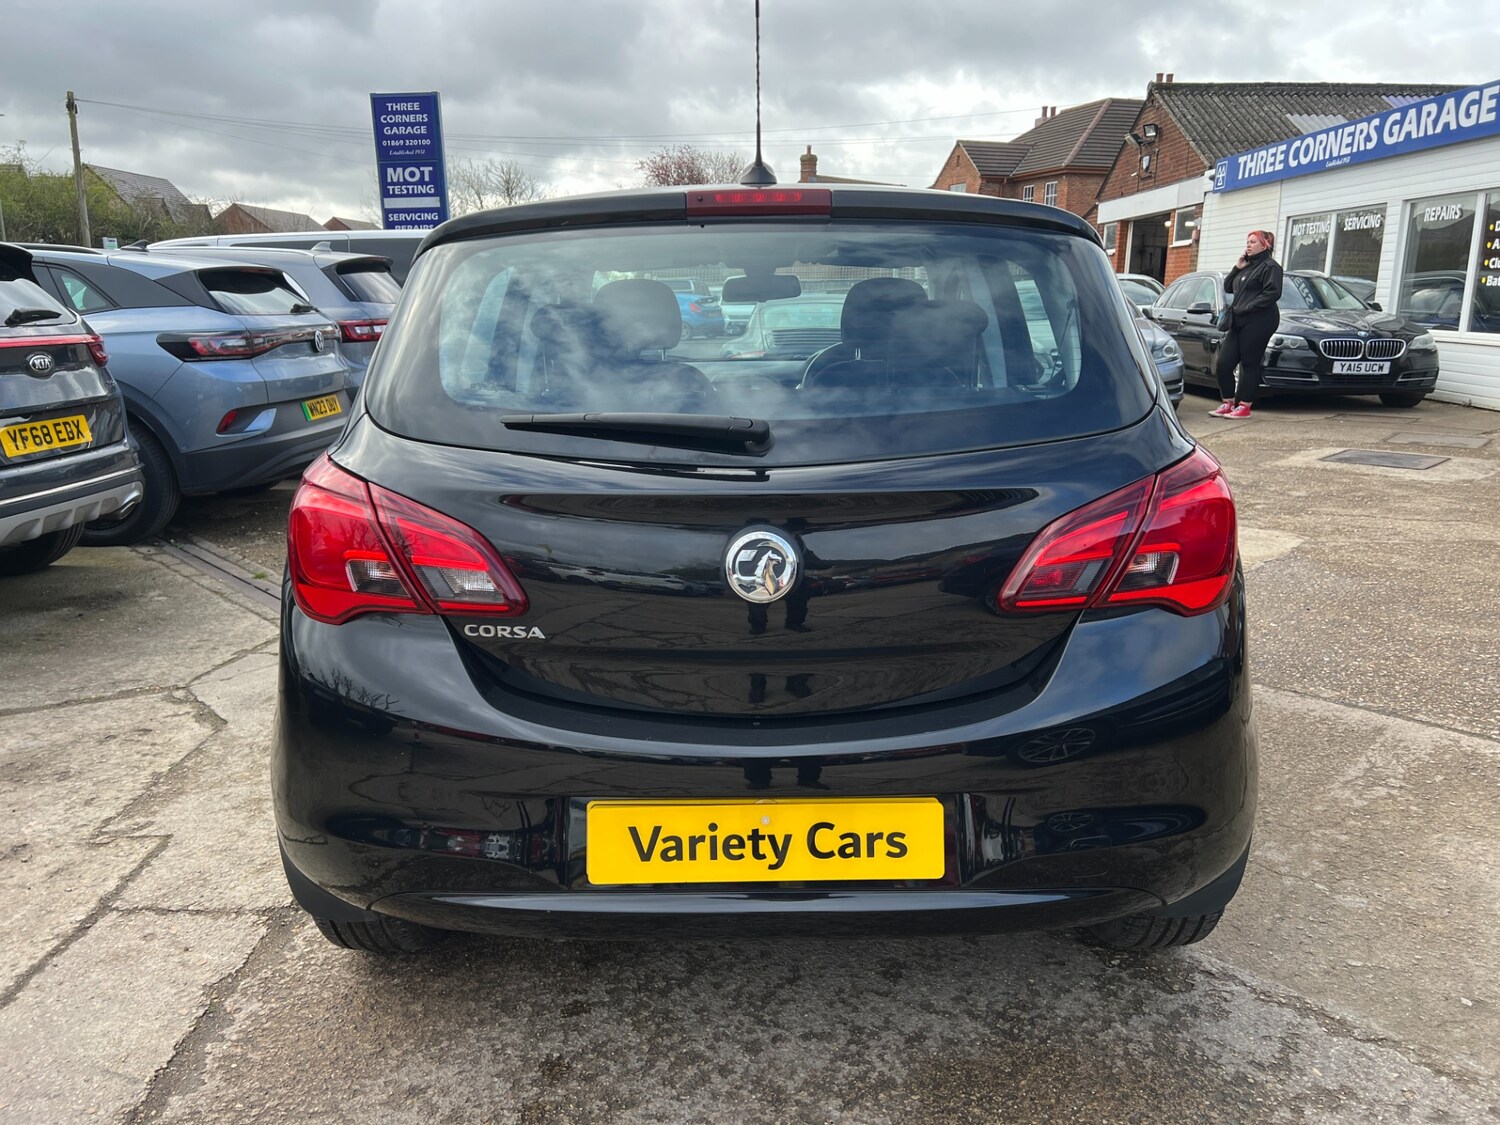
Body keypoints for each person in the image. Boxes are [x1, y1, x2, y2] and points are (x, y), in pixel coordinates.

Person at [1209, 230, 1284, 419]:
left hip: (1260, 319)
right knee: (1224, 363)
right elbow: (1227, 287)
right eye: (1247, 242)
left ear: (1264, 245)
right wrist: (1237, 267)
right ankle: (1228, 402)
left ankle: (1244, 406)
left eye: (1252, 242)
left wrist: (1250, 306)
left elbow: (1272, 293)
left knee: (1249, 363)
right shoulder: (1247, 267)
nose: (1248, 245)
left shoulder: (1271, 267)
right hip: (1239, 319)